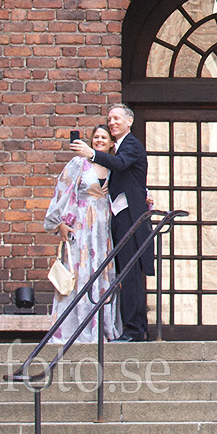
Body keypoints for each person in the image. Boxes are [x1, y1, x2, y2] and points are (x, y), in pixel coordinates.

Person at [71, 104, 150, 341]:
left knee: (130, 273)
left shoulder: (131, 145)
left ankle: (134, 330)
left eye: (117, 118)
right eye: (109, 119)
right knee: (126, 273)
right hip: (119, 216)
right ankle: (135, 327)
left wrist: (91, 154)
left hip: (129, 217)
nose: (113, 122)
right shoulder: (120, 148)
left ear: (129, 121)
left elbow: (123, 165)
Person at [45, 123, 121, 345]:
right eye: (96, 137)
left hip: (103, 229)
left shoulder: (113, 166)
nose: (99, 140)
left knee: (102, 272)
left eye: (104, 138)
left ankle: (100, 328)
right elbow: (62, 191)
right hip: (81, 226)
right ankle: (72, 329)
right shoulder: (80, 163)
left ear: (111, 143)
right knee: (79, 274)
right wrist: (59, 224)